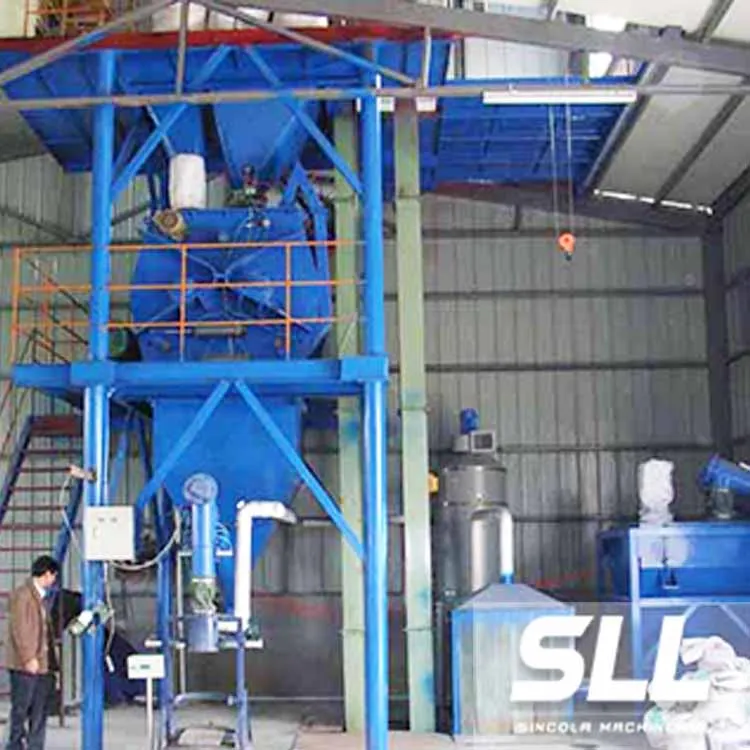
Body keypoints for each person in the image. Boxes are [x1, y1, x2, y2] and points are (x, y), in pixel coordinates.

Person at [6, 555, 60, 750]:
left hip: (41, 665)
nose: (54, 580)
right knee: (21, 709)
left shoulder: (40, 597)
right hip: (25, 666)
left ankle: (35, 746)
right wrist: (29, 657)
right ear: (47, 574)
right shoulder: (23, 596)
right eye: (54, 576)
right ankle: (15, 745)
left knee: (39, 710)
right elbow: (20, 629)